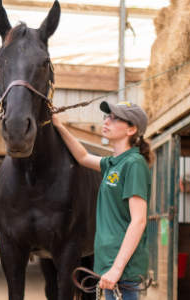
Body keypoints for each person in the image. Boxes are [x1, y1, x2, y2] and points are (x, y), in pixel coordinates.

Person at [52, 101, 154, 300]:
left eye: (115, 118)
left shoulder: (134, 164)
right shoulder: (112, 163)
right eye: (107, 116)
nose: (107, 121)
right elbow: (82, 156)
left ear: (131, 129)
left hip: (123, 269)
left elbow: (139, 220)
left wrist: (117, 269)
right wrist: (57, 124)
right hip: (109, 265)